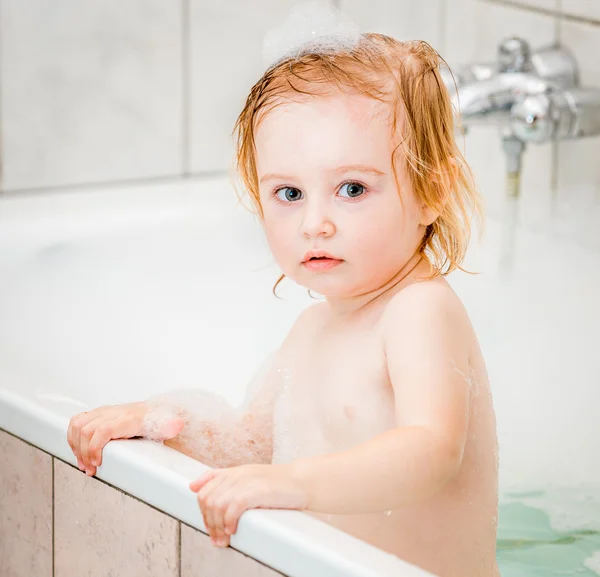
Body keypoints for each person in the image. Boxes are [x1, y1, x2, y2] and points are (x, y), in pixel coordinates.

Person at [68, 6, 499, 576]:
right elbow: (250, 446)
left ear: (430, 192)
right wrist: (159, 420)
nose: (314, 223)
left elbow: (430, 450)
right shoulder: (312, 329)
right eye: (289, 194)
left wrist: (292, 484)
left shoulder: (418, 311)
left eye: (351, 188)